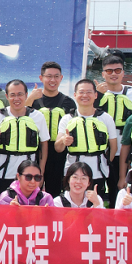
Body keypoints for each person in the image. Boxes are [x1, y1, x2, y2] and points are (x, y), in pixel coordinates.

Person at [0, 160, 55, 264]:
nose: (33, 182)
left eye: (37, 178)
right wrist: (11, 212)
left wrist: (48, 215)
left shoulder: (46, 197)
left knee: (41, 261)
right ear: (18, 176)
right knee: (15, 261)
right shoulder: (7, 196)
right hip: (14, 243)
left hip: (38, 243)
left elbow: (54, 225)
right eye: (28, 177)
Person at [52, 162, 104, 264]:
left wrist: (97, 204)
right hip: (66, 247)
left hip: (89, 246)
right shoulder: (58, 201)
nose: (78, 182)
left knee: (92, 256)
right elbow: (58, 232)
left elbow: (103, 227)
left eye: (83, 178)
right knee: (73, 257)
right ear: (68, 180)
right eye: (75, 177)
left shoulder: (95, 199)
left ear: (89, 182)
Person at [53, 79, 117, 203]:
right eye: (81, 92)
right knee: (72, 206)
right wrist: (63, 140)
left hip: (98, 172)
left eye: (89, 92)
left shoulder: (105, 118)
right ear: (75, 95)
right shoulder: (67, 119)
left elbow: (113, 147)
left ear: (95, 95)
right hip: (73, 173)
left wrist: (104, 162)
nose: (85, 95)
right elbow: (58, 148)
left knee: (95, 206)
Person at [0, 80, 49, 194]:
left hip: (30, 175)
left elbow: (44, 144)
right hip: (3, 173)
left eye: (20, 94)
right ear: (7, 96)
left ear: (26, 95)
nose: (16, 98)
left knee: (29, 204)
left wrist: (41, 173)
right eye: (12, 95)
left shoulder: (37, 116)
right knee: (4, 204)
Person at [95, 56, 132, 206]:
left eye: (117, 70)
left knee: (119, 189)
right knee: (97, 189)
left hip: (123, 150)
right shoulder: (96, 93)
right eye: (109, 71)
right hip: (100, 150)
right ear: (103, 74)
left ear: (123, 73)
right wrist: (98, 95)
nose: (113, 74)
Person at [26, 62, 77, 197]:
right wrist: (30, 98)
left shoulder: (68, 102)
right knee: (31, 189)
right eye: (49, 76)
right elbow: (19, 116)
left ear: (61, 78)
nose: (52, 80)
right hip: (36, 150)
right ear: (41, 78)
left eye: (56, 76)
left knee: (55, 190)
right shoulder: (33, 101)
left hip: (58, 153)